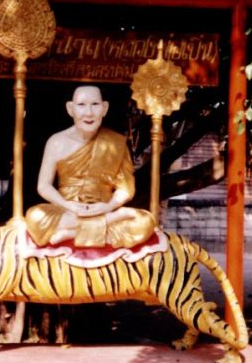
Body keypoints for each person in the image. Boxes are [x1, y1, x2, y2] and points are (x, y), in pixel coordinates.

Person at [25, 85, 156, 248]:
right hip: (67, 210)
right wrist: (68, 205)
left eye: (95, 104)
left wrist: (108, 207)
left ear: (104, 108)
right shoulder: (56, 141)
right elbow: (43, 186)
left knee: (144, 222)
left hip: (103, 209)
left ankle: (72, 232)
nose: (88, 113)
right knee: (35, 217)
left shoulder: (116, 143)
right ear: (70, 108)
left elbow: (126, 188)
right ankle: (103, 227)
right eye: (81, 105)